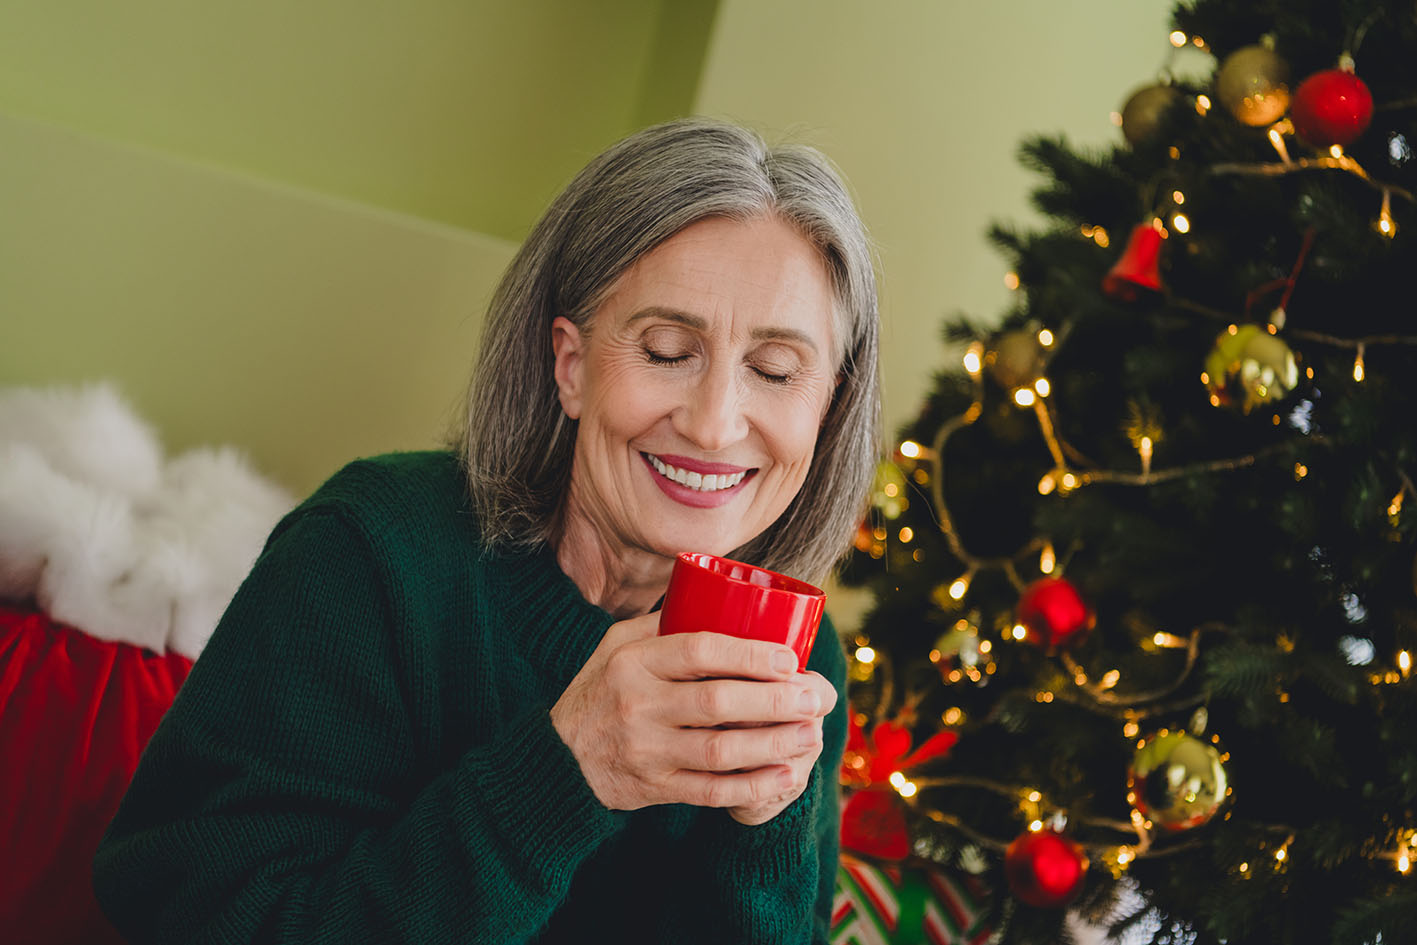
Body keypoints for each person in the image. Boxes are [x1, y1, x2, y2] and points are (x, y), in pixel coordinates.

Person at [93, 116, 881, 943]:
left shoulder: (795, 656)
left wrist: (765, 836)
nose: (716, 424)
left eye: (774, 371)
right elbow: (186, 912)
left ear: (825, 407)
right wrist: (566, 774)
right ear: (570, 366)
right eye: (664, 350)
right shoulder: (370, 552)